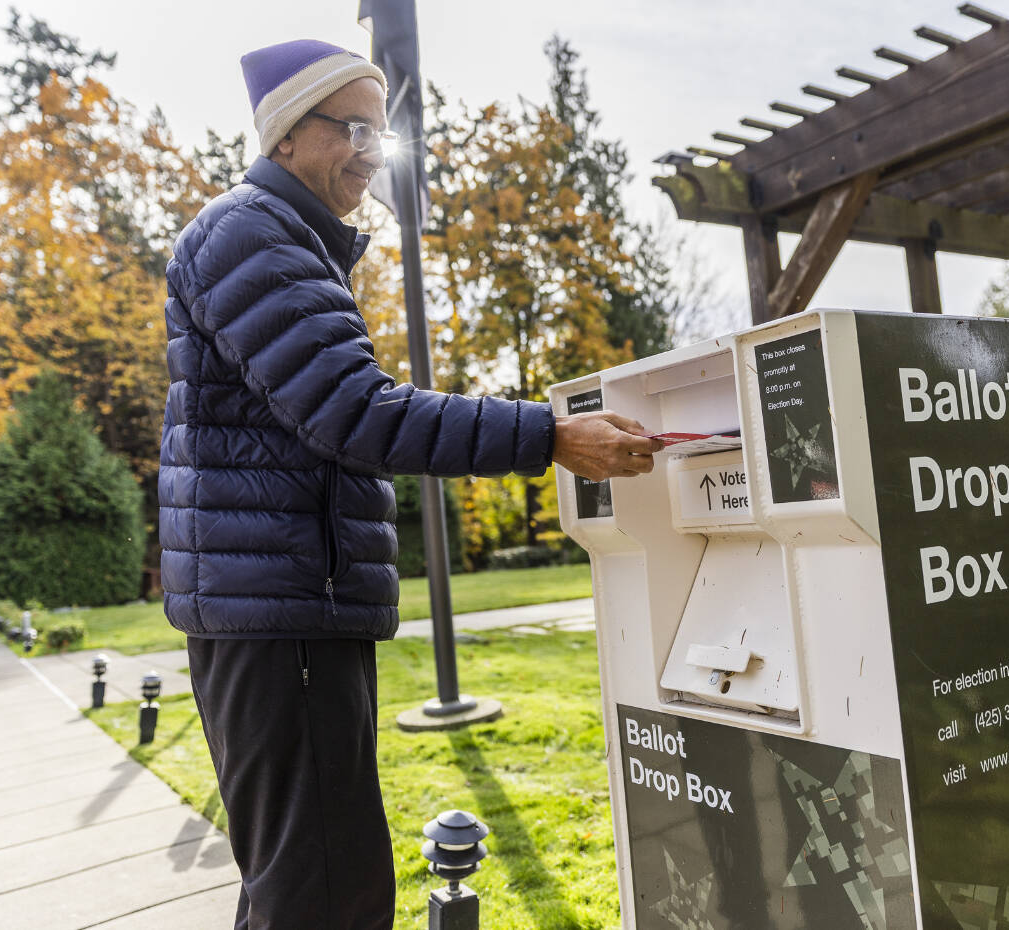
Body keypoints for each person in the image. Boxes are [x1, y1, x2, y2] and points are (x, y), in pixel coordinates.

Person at [158, 38, 661, 929]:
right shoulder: (253, 236)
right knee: (326, 891)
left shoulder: (281, 241)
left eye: (376, 129)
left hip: (276, 605)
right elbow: (357, 413)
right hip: (282, 611)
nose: (368, 149)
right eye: (348, 126)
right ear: (284, 136)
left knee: (295, 879)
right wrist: (548, 435)